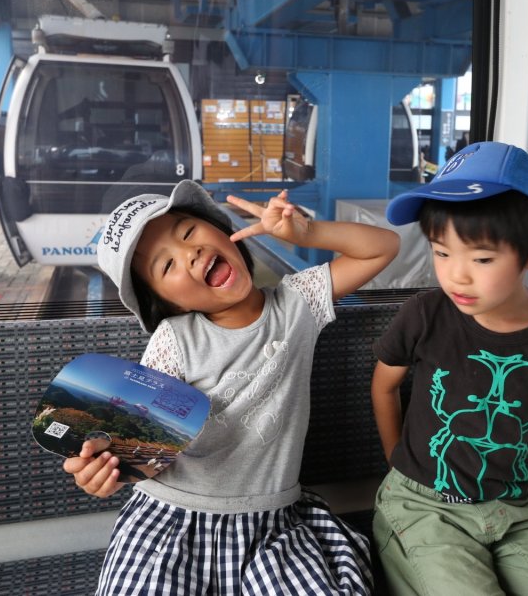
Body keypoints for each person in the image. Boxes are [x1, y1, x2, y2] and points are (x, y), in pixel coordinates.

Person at [64, 179, 399, 595]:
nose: (189, 253)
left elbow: (384, 246)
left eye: (188, 231)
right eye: (166, 266)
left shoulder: (298, 303)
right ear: (167, 302)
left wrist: (306, 233)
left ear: (222, 229)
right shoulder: (173, 341)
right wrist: (106, 472)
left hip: (273, 527)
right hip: (170, 521)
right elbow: (139, 445)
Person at [370, 141, 528, 595]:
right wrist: (398, 460)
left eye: (482, 259)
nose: (457, 275)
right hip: (425, 505)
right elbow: (384, 386)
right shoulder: (424, 315)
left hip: (517, 510)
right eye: (441, 252)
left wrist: (521, 468)